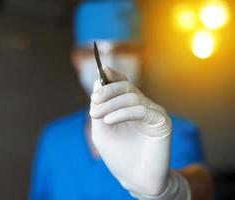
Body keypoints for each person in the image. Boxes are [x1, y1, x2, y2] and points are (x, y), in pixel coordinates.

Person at [29, 0, 213, 199]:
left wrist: (174, 190)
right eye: (93, 52)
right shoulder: (54, 139)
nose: (109, 63)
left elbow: (203, 186)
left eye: (122, 50)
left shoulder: (168, 131)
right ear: (76, 59)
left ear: (143, 56)